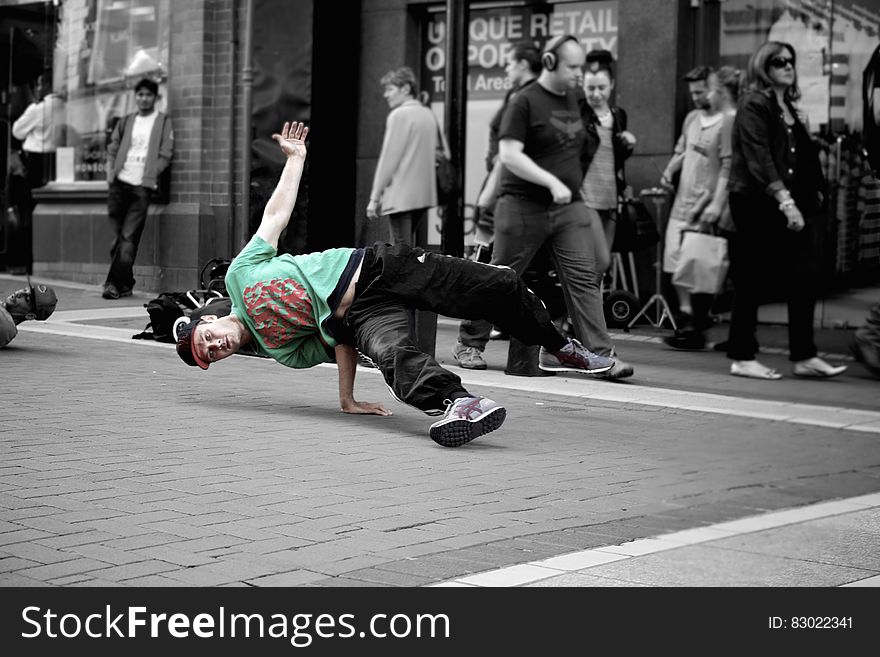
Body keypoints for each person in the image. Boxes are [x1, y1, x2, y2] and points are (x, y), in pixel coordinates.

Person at [175, 121, 614, 447]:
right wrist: (347, 398)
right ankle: (460, 404)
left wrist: (296, 161)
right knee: (391, 355)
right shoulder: (282, 353)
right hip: (362, 315)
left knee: (498, 284)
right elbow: (342, 344)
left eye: (207, 338)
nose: (215, 346)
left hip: (378, 267)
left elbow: (274, 219)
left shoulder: (239, 276)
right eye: (211, 354)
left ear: (208, 319)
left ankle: (560, 347)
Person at [452, 34, 634, 380]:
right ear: (550, 62)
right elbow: (508, 155)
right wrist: (546, 183)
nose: (580, 74)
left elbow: (592, 138)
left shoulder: (575, 99)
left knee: (583, 277)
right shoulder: (524, 101)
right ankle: (469, 342)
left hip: (568, 210)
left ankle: (601, 355)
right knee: (500, 279)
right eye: (573, 67)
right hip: (523, 206)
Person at [725, 41, 846, 379]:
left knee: (804, 278)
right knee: (751, 279)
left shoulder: (787, 105)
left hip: (785, 201)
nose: (788, 66)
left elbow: (797, 158)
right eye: (779, 61)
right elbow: (758, 155)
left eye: (791, 61)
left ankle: (804, 355)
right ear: (764, 66)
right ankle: (742, 356)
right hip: (756, 200)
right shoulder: (754, 102)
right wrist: (786, 200)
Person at [663, 66, 743, 351]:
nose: (698, 97)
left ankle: (698, 324)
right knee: (677, 259)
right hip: (688, 201)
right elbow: (683, 150)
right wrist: (669, 169)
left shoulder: (729, 122)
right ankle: (691, 320)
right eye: (694, 92)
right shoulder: (692, 119)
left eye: (703, 91)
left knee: (702, 262)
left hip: (710, 203)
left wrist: (715, 202)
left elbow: (727, 166)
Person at [102, 77, 174, 300]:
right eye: (140, 94)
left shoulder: (162, 122)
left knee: (128, 237)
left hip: (141, 187)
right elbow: (113, 147)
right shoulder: (126, 121)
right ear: (136, 97)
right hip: (119, 184)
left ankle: (112, 284)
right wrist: (110, 173)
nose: (143, 99)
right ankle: (126, 283)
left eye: (148, 95)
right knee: (118, 239)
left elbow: (166, 152)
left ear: (155, 97)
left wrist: (152, 174)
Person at [471, 41, 542, 262]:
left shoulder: (531, 96)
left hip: (515, 185)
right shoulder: (516, 94)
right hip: (505, 177)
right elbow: (498, 128)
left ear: (523, 64)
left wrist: (498, 159)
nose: (506, 68)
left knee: (498, 249)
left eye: (510, 63)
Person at [580, 49, 636, 276]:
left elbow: (614, 158)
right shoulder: (577, 112)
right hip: (585, 197)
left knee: (601, 266)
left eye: (601, 88)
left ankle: (585, 310)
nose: (595, 94)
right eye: (590, 88)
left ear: (611, 84)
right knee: (598, 262)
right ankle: (578, 309)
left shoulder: (618, 115)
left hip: (610, 197)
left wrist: (627, 145)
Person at [366, 66, 437, 247]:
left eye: (390, 89)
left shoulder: (399, 115)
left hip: (401, 194)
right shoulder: (428, 114)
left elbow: (389, 159)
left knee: (401, 250)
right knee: (408, 247)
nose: (385, 95)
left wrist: (374, 198)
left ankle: (407, 276)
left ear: (405, 89)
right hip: (424, 195)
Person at [11, 74, 65, 192]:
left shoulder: (38, 109)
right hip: (61, 159)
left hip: (37, 160)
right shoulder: (66, 107)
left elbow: (17, 132)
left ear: (48, 86)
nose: (38, 89)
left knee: (32, 197)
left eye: (40, 85)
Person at [0, 283, 58, 348]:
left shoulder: (6, 328)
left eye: (26, 298)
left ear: (30, 316)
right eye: (24, 290)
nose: (18, 293)